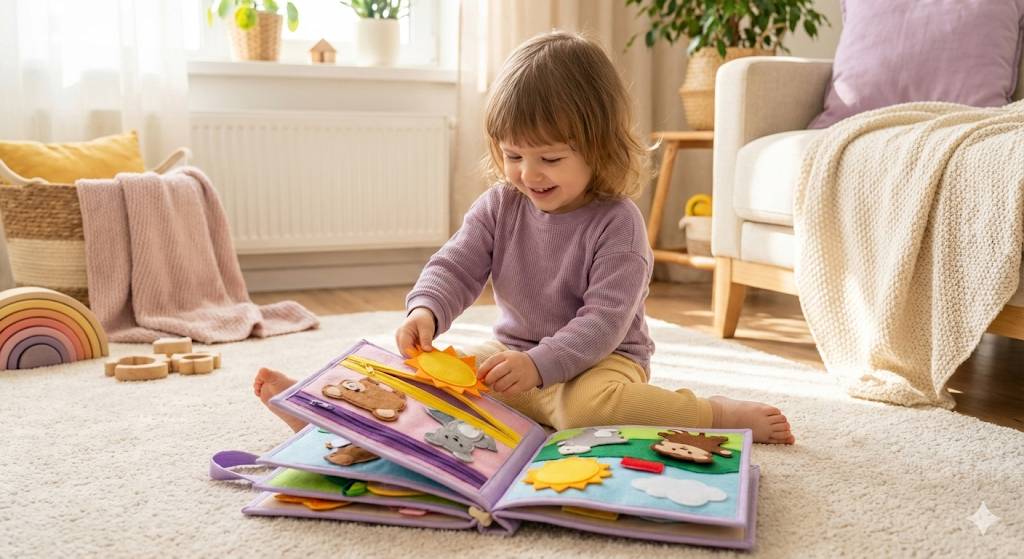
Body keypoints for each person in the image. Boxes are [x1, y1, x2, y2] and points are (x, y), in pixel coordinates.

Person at [255, 31, 794, 444]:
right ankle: (323, 413)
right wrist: (426, 311)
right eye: (513, 156)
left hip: (601, 364)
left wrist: (540, 367)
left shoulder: (618, 223)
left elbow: (603, 324)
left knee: (584, 412)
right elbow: (456, 265)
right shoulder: (501, 205)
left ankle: (714, 413)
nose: (528, 174)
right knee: (434, 378)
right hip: (514, 353)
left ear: (599, 147)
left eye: (550, 158)